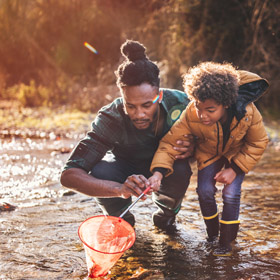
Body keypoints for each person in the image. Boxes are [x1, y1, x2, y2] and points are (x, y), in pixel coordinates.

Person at [60, 40, 194, 230]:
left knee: (182, 169)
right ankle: (122, 222)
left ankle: (166, 216)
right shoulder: (110, 117)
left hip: (168, 169)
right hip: (123, 169)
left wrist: (194, 148)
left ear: (160, 96)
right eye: (130, 106)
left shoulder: (183, 105)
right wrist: (119, 190)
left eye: (147, 105)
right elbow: (69, 175)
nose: (139, 114)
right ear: (122, 97)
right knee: (100, 171)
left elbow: (218, 137)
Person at [149, 61, 269, 256]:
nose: (202, 115)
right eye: (198, 107)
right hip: (208, 153)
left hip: (236, 155)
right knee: (204, 191)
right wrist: (158, 173)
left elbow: (258, 142)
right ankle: (212, 236)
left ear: (226, 103)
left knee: (231, 194)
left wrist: (235, 169)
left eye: (210, 110)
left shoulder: (248, 112)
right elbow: (170, 143)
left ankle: (226, 242)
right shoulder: (191, 113)